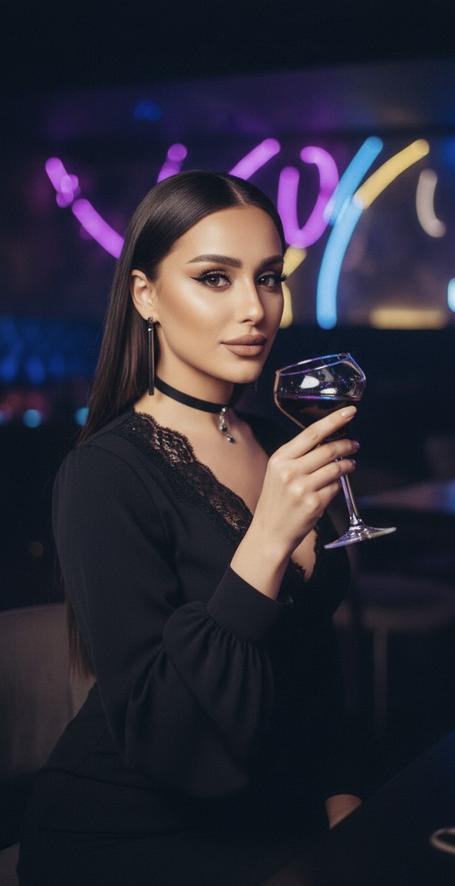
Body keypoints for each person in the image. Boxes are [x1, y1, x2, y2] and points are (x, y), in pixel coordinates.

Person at [18, 170, 363, 886]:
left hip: (279, 806)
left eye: (269, 278)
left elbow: (308, 655)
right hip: (131, 830)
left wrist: (339, 788)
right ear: (146, 294)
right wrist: (266, 541)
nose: (255, 308)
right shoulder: (103, 475)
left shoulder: (275, 436)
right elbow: (160, 731)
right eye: (216, 278)